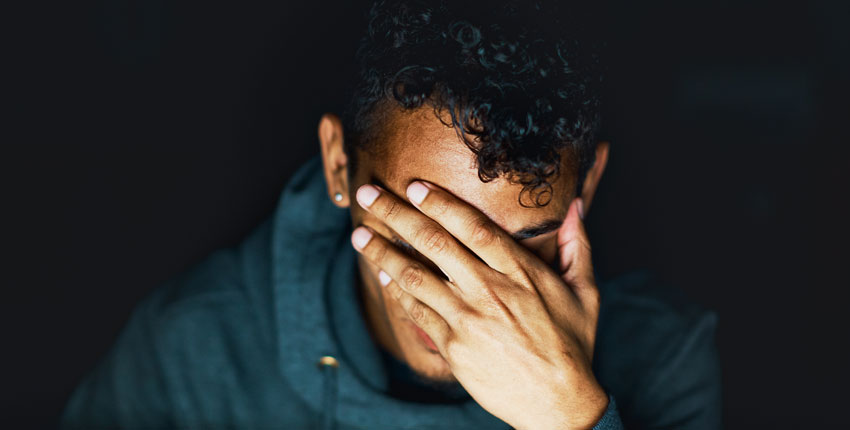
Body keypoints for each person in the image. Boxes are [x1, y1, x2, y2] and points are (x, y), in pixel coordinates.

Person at [61, 1, 722, 429]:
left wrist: (571, 417)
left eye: (525, 246)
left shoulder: (664, 356)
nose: (467, 294)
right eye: (426, 234)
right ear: (338, 165)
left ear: (591, 181)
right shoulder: (194, 344)